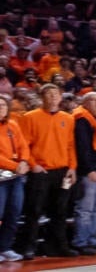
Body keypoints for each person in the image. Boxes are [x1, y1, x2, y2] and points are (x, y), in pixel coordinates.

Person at [14, 83, 77, 259]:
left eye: (55, 94)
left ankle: (58, 246)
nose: (53, 97)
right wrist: (33, 164)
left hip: (62, 171)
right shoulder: (29, 117)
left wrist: (72, 167)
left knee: (60, 210)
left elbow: (71, 145)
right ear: (42, 97)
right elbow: (24, 145)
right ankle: (28, 248)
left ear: (60, 96)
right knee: (34, 210)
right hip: (40, 171)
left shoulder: (68, 118)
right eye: (48, 94)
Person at [72, 91, 96, 254]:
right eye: (93, 100)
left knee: (95, 209)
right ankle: (81, 241)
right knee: (85, 209)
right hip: (90, 171)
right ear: (85, 104)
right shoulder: (82, 120)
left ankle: (92, 240)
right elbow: (82, 148)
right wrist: (89, 169)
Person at [0, 95, 31, 262]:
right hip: (2, 175)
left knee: (14, 211)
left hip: (16, 176)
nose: (1, 109)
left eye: (3, 106)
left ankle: (5, 247)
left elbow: (23, 146)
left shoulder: (13, 124)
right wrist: (15, 166)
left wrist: (24, 161)